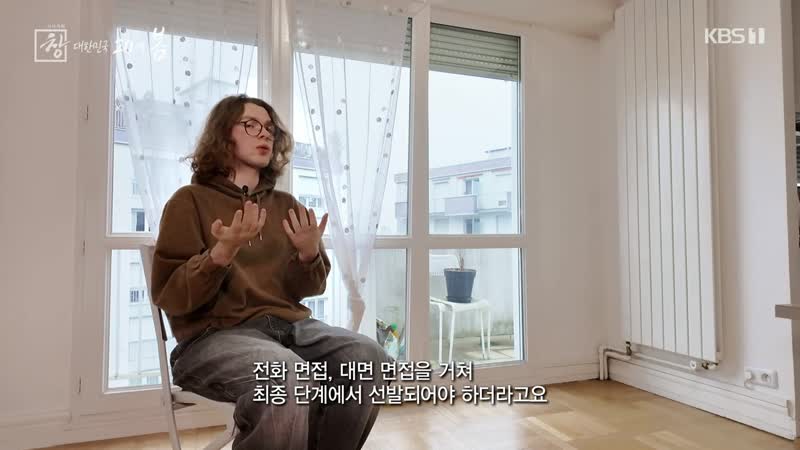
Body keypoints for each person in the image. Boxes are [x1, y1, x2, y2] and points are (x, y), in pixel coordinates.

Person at [150, 94, 391, 450]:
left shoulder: (286, 205)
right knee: (285, 376)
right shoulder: (189, 201)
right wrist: (220, 254)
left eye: (269, 128)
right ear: (223, 133)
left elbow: (310, 288)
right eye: (251, 125)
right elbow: (171, 295)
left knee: (368, 358)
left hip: (290, 330)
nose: (265, 134)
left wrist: (309, 255)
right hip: (212, 338)